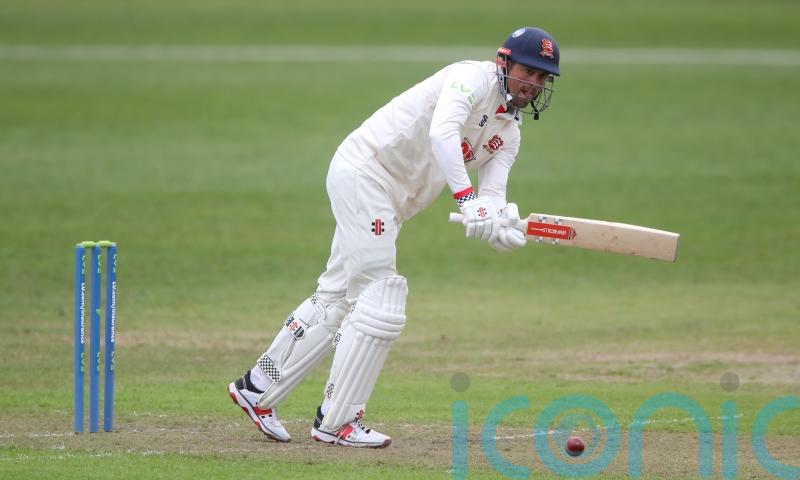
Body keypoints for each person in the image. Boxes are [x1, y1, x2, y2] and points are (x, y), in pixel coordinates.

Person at [228, 27, 561, 448]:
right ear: (504, 63)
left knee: (336, 297)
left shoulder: (509, 134)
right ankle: (337, 421)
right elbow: (442, 133)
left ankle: (257, 387)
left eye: (543, 78)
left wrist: (498, 225)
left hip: (388, 202)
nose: (533, 84)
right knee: (381, 297)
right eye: (528, 72)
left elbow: (492, 199)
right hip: (366, 174)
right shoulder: (469, 79)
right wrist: (466, 199)